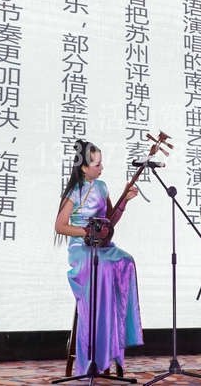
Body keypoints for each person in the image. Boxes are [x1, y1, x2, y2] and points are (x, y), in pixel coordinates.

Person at [54, 139, 143, 376]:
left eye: (101, 163)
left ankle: (117, 331)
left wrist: (125, 201)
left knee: (126, 261)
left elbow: (109, 222)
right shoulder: (74, 191)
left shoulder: (102, 187)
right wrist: (85, 232)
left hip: (102, 246)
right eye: (97, 164)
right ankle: (96, 350)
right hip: (81, 248)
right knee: (101, 267)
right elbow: (60, 226)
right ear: (84, 167)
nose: (101, 168)